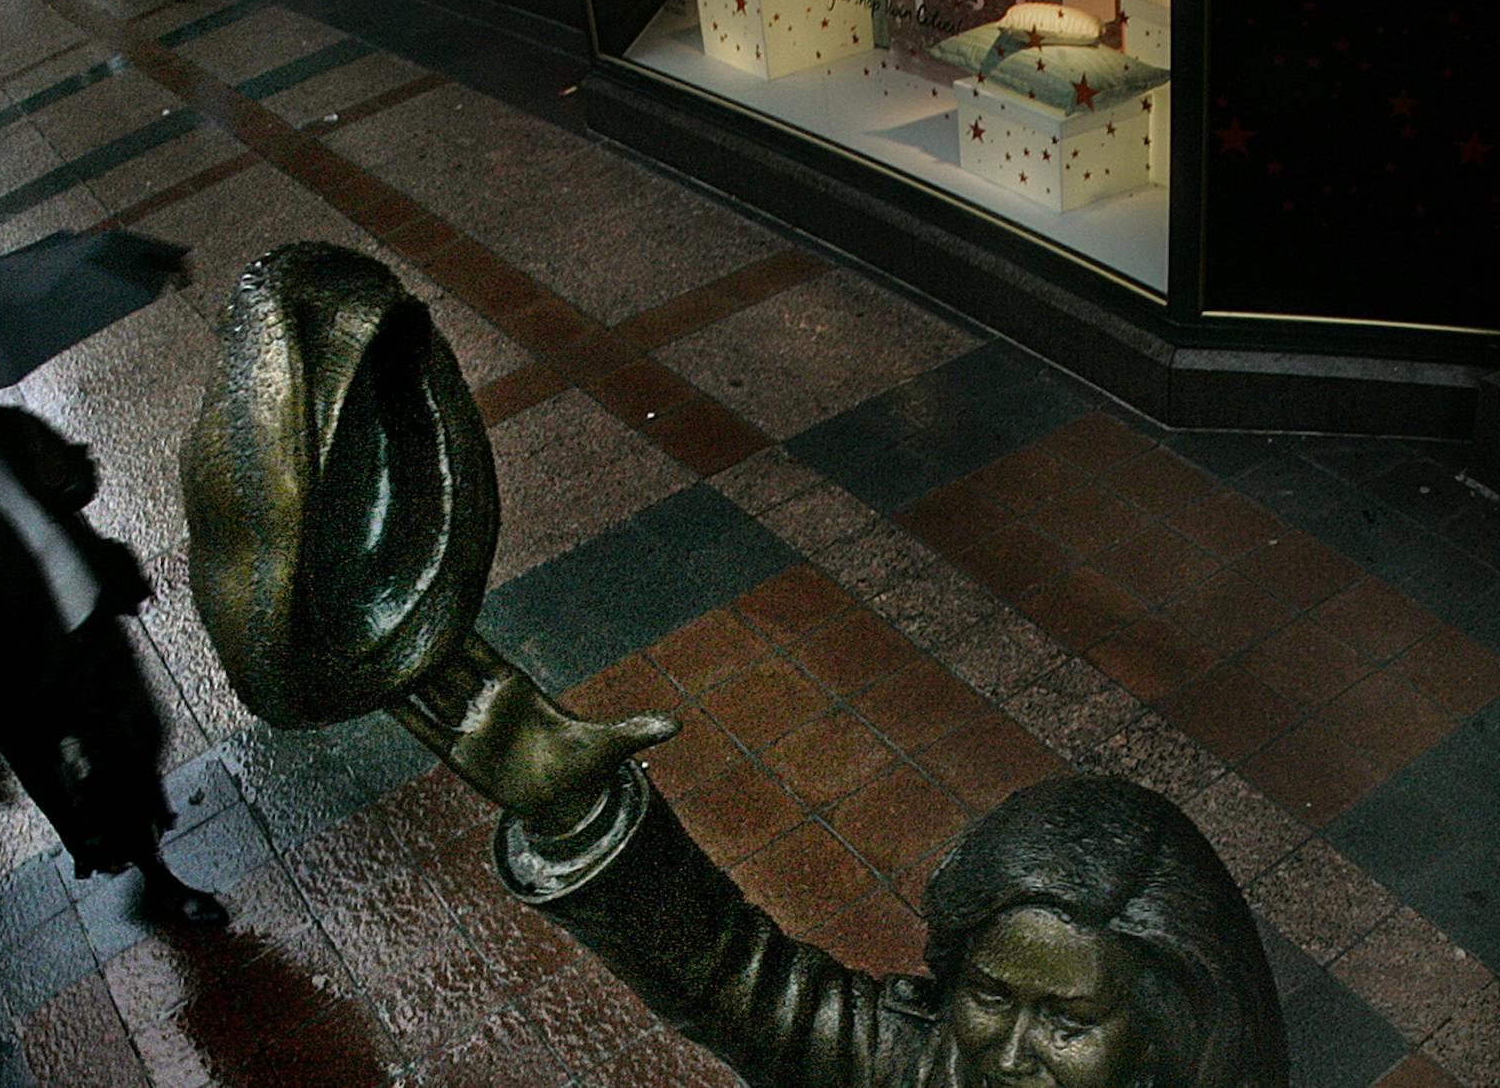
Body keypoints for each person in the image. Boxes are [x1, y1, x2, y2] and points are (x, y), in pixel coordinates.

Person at [179, 242, 1289, 1088]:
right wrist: (574, 815)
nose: (1008, 1050)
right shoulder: (924, 1068)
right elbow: (728, 974)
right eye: (992, 994)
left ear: (1161, 1027)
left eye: (1068, 1021)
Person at [0, 403, 226, 925]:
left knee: (144, 729)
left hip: (94, 618)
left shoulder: (7, 430)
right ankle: (157, 878)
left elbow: (77, 478)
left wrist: (71, 476)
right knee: (108, 773)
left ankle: (138, 827)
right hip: (42, 678)